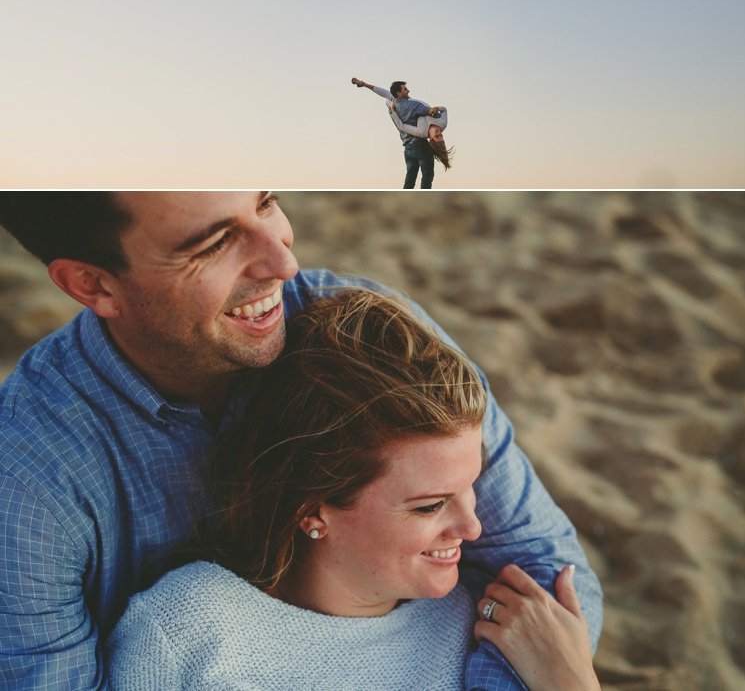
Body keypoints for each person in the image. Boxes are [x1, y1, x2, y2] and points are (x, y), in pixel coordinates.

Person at [0, 193, 603, 691]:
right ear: (92, 283)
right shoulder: (29, 480)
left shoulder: (368, 339)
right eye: (213, 244)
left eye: (267, 202)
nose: (281, 264)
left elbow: (549, 572)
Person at [105, 288, 599, 691]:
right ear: (312, 510)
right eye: (430, 505)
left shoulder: (491, 625)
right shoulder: (185, 629)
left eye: (471, 486)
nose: (472, 527)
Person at [352, 76, 453, 183]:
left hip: (413, 142)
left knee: (422, 176)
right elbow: (445, 110)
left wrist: (392, 111)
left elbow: (402, 124)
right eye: (441, 136)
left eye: (437, 136)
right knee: (416, 176)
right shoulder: (442, 123)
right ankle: (363, 84)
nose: (439, 133)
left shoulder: (420, 129)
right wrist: (437, 108)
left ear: (431, 139)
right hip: (410, 144)